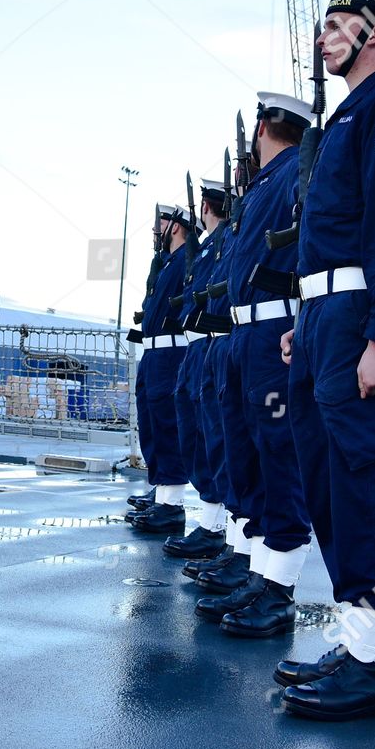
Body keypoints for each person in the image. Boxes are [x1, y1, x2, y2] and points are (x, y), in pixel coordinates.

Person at [279, 0, 375, 720]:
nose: (323, 37)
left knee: (366, 478)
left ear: (373, 31)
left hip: (357, 323)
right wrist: (303, 317)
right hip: (323, 318)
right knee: (329, 481)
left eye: (336, 24)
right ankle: (356, 640)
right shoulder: (348, 116)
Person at [194, 95, 315, 639]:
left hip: (271, 330)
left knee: (277, 454)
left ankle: (280, 588)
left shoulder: (294, 172)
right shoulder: (265, 184)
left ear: (263, 126)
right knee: (244, 450)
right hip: (245, 333)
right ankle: (257, 569)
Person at [160, 179, 230, 559]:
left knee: (212, 437)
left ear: (206, 207)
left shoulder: (222, 242)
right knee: (195, 434)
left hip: (213, 341)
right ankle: (210, 521)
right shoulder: (204, 249)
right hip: (197, 344)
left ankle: (215, 525)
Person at [126, 203, 196, 533]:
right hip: (153, 353)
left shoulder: (187, 259)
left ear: (178, 226)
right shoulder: (166, 262)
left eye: (163, 223)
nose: (157, 229)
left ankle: (172, 503)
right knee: (152, 426)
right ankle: (162, 491)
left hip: (172, 354)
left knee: (168, 426)